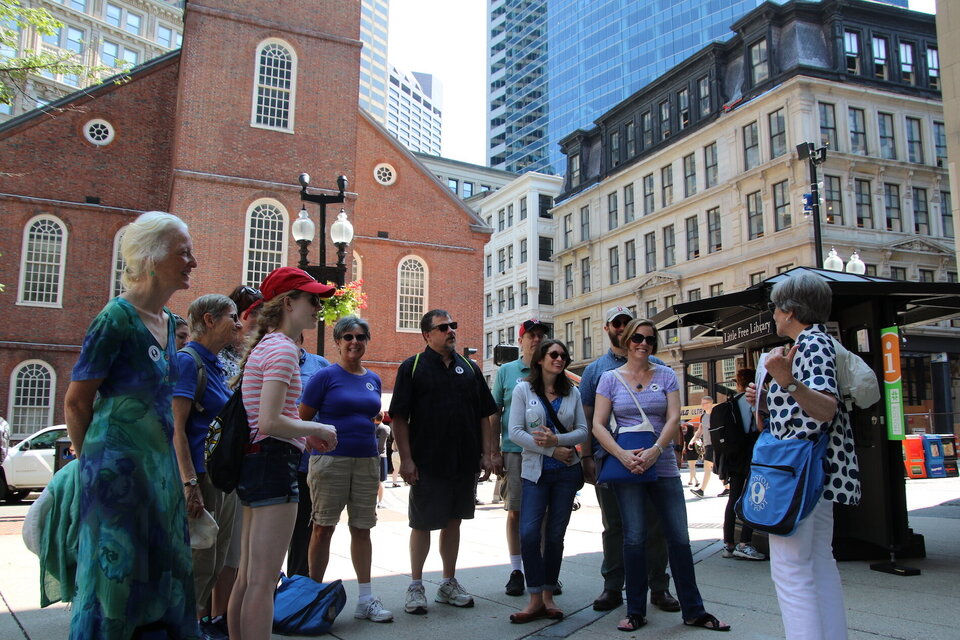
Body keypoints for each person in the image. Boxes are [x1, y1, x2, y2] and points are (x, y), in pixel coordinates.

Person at [64, 210, 200, 639]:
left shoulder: (170, 324)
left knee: (168, 568)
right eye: (183, 252)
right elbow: (76, 401)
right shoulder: (115, 319)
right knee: (116, 579)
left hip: (159, 471)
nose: (192, 261)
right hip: (114, 473)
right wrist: (94, 469)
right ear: (152, 258)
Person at [592, 318, 730, 632]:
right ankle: (636, 610)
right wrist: (622, 455)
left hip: (664, 466)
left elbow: (672, 418)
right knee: (635, 537)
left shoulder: (666, 375)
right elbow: (598, 424)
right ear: (627, 341)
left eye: (650, 340)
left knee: (679, 538)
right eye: (638, 338)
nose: (644, 344)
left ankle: (694, 610)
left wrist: (655, 450)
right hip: (627, 468)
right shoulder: (609, 379)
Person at [226, 267, 339, 640]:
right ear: (289, 303)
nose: (318, 307)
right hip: (273, 465)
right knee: (262, 580)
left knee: (248, 575)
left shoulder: (268, 344)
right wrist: (317, 428)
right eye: (312, 299)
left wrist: (302, 436)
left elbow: (267, 420)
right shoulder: (283, 349)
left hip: (260, 463)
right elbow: (271, 422)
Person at [748, 272, 859, 639]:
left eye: (775, 308)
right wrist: (767, 395)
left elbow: (824, 408)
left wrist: (785, 380)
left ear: (791, 311)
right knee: (818, 563)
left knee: (791, 570)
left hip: (798, 470)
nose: (773, 315)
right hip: (815, 470)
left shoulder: (811, 344)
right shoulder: (817, 342)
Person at [390, 309, 498, 615]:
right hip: (427, 462)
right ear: (427, 335)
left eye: (453, 325)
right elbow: (399, 417)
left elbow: (484, 414)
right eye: (443, 327)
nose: (450, 331)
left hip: (463, 463)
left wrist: (488, 453)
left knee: (454, 522)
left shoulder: (469, 368)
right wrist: (406, 460)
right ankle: (415, 586)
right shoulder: (412, 368)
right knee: (422, 524)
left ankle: (448, 583)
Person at [578, 306, 679, 614]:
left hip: (655, 461)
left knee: (654, 525)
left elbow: (670, 416)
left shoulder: (660, 367)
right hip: (610, 460)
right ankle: (612, 587)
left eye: (629, 324)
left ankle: (659, 587)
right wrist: (588, 458)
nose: (624, 330)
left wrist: (661, 450)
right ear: (608, 328)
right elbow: (588, 419)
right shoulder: (597, 371)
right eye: (618, 324)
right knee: (615, 526)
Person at [299, 315, 393, 623]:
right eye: (348, 337)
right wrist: (317, 443)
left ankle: (365, 599)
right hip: (331, 463)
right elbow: (302, 420)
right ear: (338, 342)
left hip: (366, 461)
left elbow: (373, 416)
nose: (355, 342)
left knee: (362, 528)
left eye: (361, 337)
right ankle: (314, 599)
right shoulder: (325, 377)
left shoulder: (374, 379)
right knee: (323, 528)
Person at [172, 294, 243, 639]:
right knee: (197, 566)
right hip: (200, 478)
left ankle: (194, 629)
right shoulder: (188, 362)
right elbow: (176, 429)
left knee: (214, 565)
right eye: (233, 316)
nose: (240, 323)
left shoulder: (216, 363)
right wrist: (189, 484)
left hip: (221, 477)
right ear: (211, 320)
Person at [507, 340, 588, 623]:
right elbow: (515, 432)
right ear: (540, 359)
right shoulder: (522, 389)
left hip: (566, 473)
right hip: (535, 473)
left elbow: (582, 432)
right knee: (529, 534)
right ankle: (533, 597)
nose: (560, 359)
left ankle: (548, 596)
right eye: (554, 354)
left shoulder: (572, 392)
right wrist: (550, 449)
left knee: (554, 536)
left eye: (564, 355)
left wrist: (559, 441)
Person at [208, 284, 264, 634]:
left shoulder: (260, 352)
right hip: (224, 463)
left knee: (241, 554)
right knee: (219, 552)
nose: (257, 319)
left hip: (250, 464)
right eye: (252, 312)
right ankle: (213, 618)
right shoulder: (218, 359)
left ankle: (228, 619)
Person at [490, 318, 548, 596]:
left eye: (541, 335)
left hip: (546, 452)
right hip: (514, 452)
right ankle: (517, 570)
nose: (536, 339)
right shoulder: (507, 372)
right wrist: (492, 451)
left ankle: (545, 570)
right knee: (515, 511)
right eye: (531, 335)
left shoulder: (551, 367)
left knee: (545, 514)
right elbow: (494, 412)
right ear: (520, 340)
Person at [286, 333, 331, 578]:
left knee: (305, 529)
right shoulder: (267, 360)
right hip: (279, 460)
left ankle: (297, 587)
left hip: (309, 464)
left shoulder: (320, 366)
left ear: (300, 340)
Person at [716, 368, 765, 561]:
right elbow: (760, 425)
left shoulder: (732, 402)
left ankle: (728, 543)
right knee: (752, 498)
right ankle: (745, 543)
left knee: (734, 498)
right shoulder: (755, 400)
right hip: (752, 453)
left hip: (734, 455)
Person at [689, 396, 715, 498]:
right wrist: (692, 441)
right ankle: (727, 488)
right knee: (716, 468)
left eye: (705, 403)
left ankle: (701, 490)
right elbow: (700, 431)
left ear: (710, 403)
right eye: (702, 403)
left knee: (707, 466)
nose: (702, 405)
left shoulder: (715, 415)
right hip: (707, 444)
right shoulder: (703, 416)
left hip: (715, 444)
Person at [681, 419, 700, 486]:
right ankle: (690, 481)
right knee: (693, 467)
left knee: (692, 467)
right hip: (696, 452)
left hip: (689, 452)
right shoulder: (695, 436)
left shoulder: (686, 436)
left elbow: (684, 445)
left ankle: (696, 481)